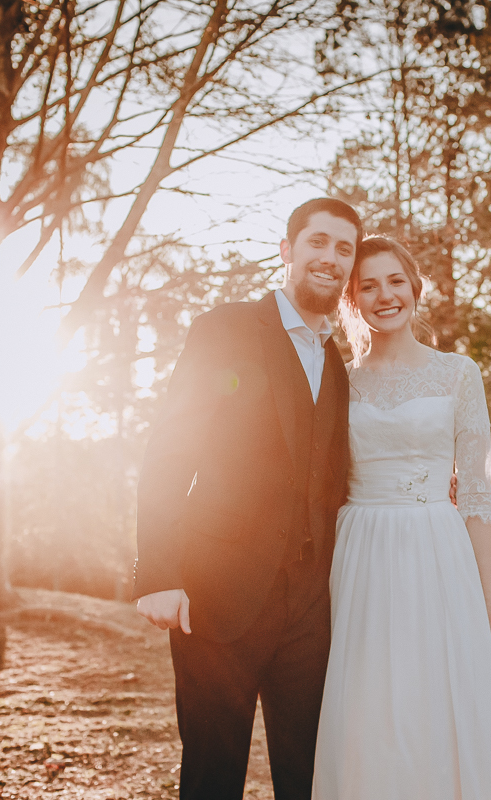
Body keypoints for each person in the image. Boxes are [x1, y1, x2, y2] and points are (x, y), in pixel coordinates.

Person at [134, 198, 361, 800]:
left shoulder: (338, 362)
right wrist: (157, 573)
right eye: (318, 242)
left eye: (344, 249)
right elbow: (168, 451)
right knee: (212, 771)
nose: (330, 258)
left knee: (309, 774)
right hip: (217, 593)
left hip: (311, 609)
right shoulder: (227, 327)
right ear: (287, 251)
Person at [311, 236, 491, 799]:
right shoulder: (338, 380)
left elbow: (476, 497)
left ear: (415, 289)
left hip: (438, 553)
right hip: (360, 553)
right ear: (352, 299)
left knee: (442, 700)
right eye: (367, 285)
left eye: (395, 281)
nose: (384, 295)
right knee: (369, 705)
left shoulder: (458, 374)